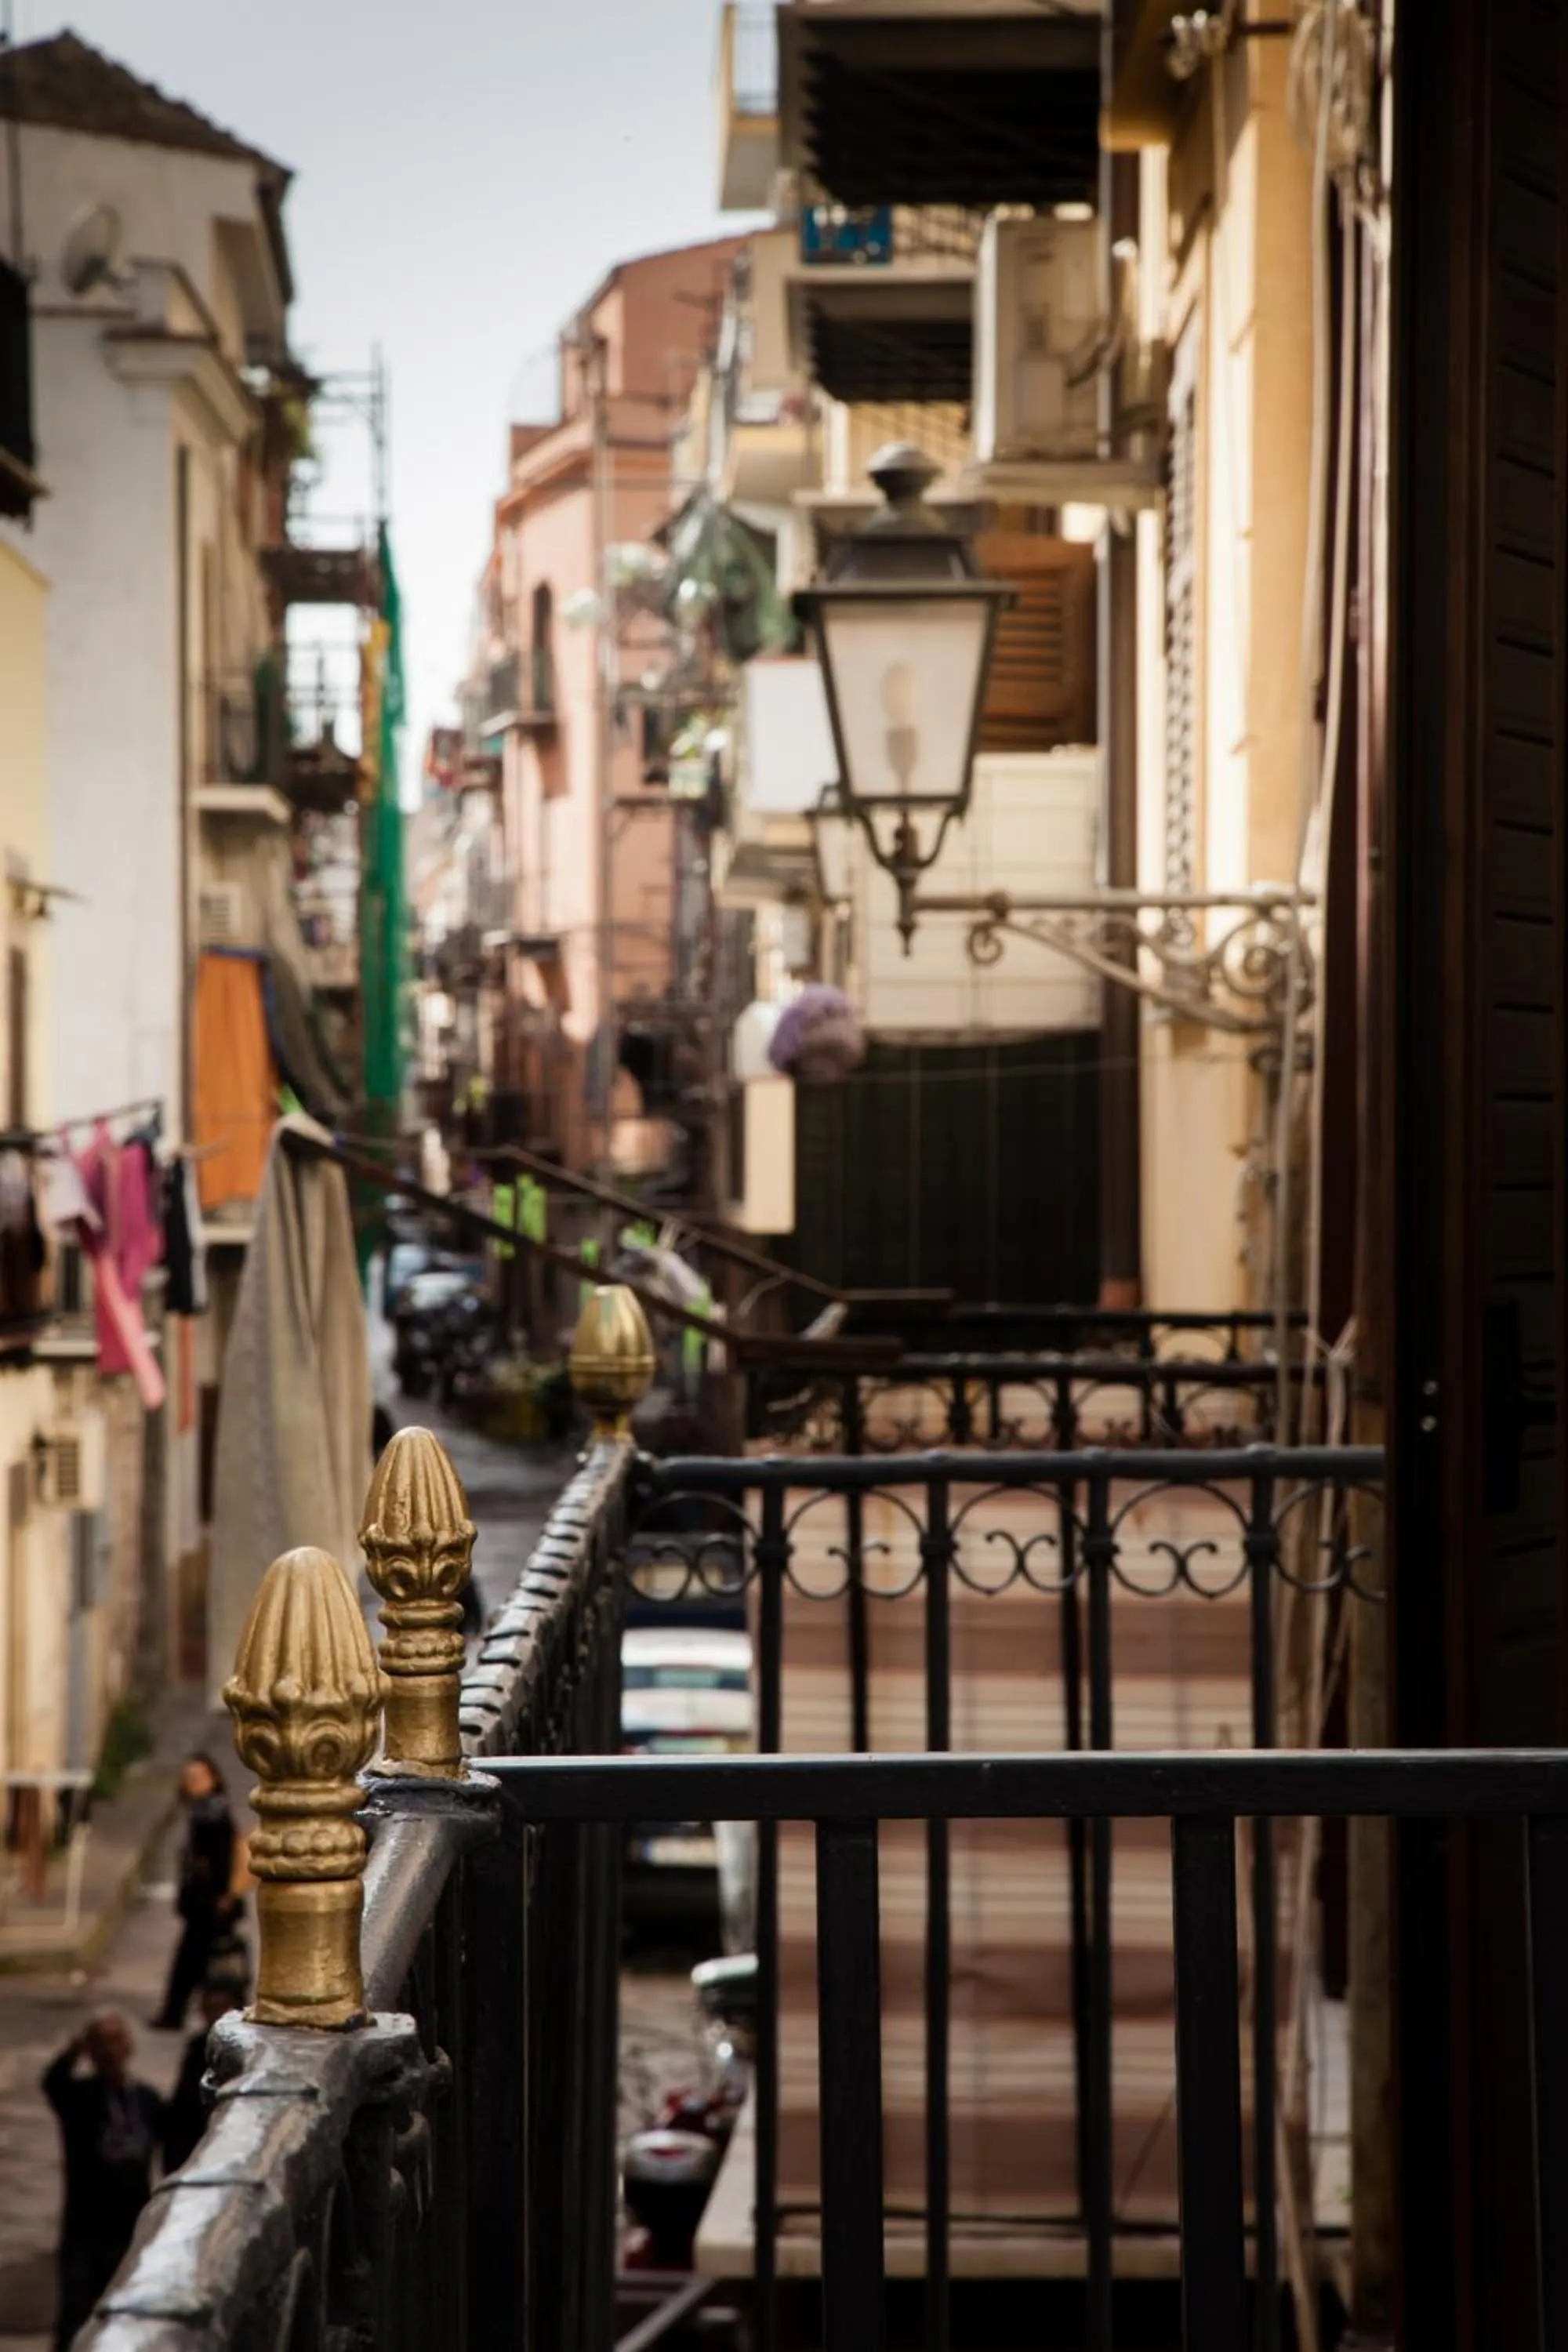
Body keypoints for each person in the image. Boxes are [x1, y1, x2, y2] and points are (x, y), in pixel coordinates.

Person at [42, 2013, 164, 2350]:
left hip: (129, 2222)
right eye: (101, 2044)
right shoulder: (80, 2098)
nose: (110, 2052)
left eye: (116, 2042)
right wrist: (72, 2051)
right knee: (77, 2315)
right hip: (86, 2225)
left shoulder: (146, 2100)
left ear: (129, 2047)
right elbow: (53, 2083)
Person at [150, 1753, 248, 2032]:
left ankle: (182, 2015)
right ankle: (182, 2014)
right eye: (187, 1779)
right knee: (204, 1964)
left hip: (212, 1904)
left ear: (213, 1779)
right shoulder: (203, 1811)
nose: (191, 1784)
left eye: (197, 1778)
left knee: (205, 1965)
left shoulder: (212, 1814)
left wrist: (222, 1896)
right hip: (205, 1904)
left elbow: (221, 1861)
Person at [160, 1981, 241, 2176]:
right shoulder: (197, 2049)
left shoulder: (250, 2050)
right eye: (210, 2009)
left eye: (223, 2008)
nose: (216, 2016)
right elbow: (183, 2104)